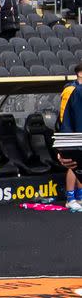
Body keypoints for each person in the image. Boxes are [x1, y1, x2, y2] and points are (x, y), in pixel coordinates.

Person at [58, 63, 82, 210]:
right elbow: (64, 116)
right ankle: (71, 197)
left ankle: (80, 196)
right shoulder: (71, 90)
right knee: (74, 166)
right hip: (73, 134)